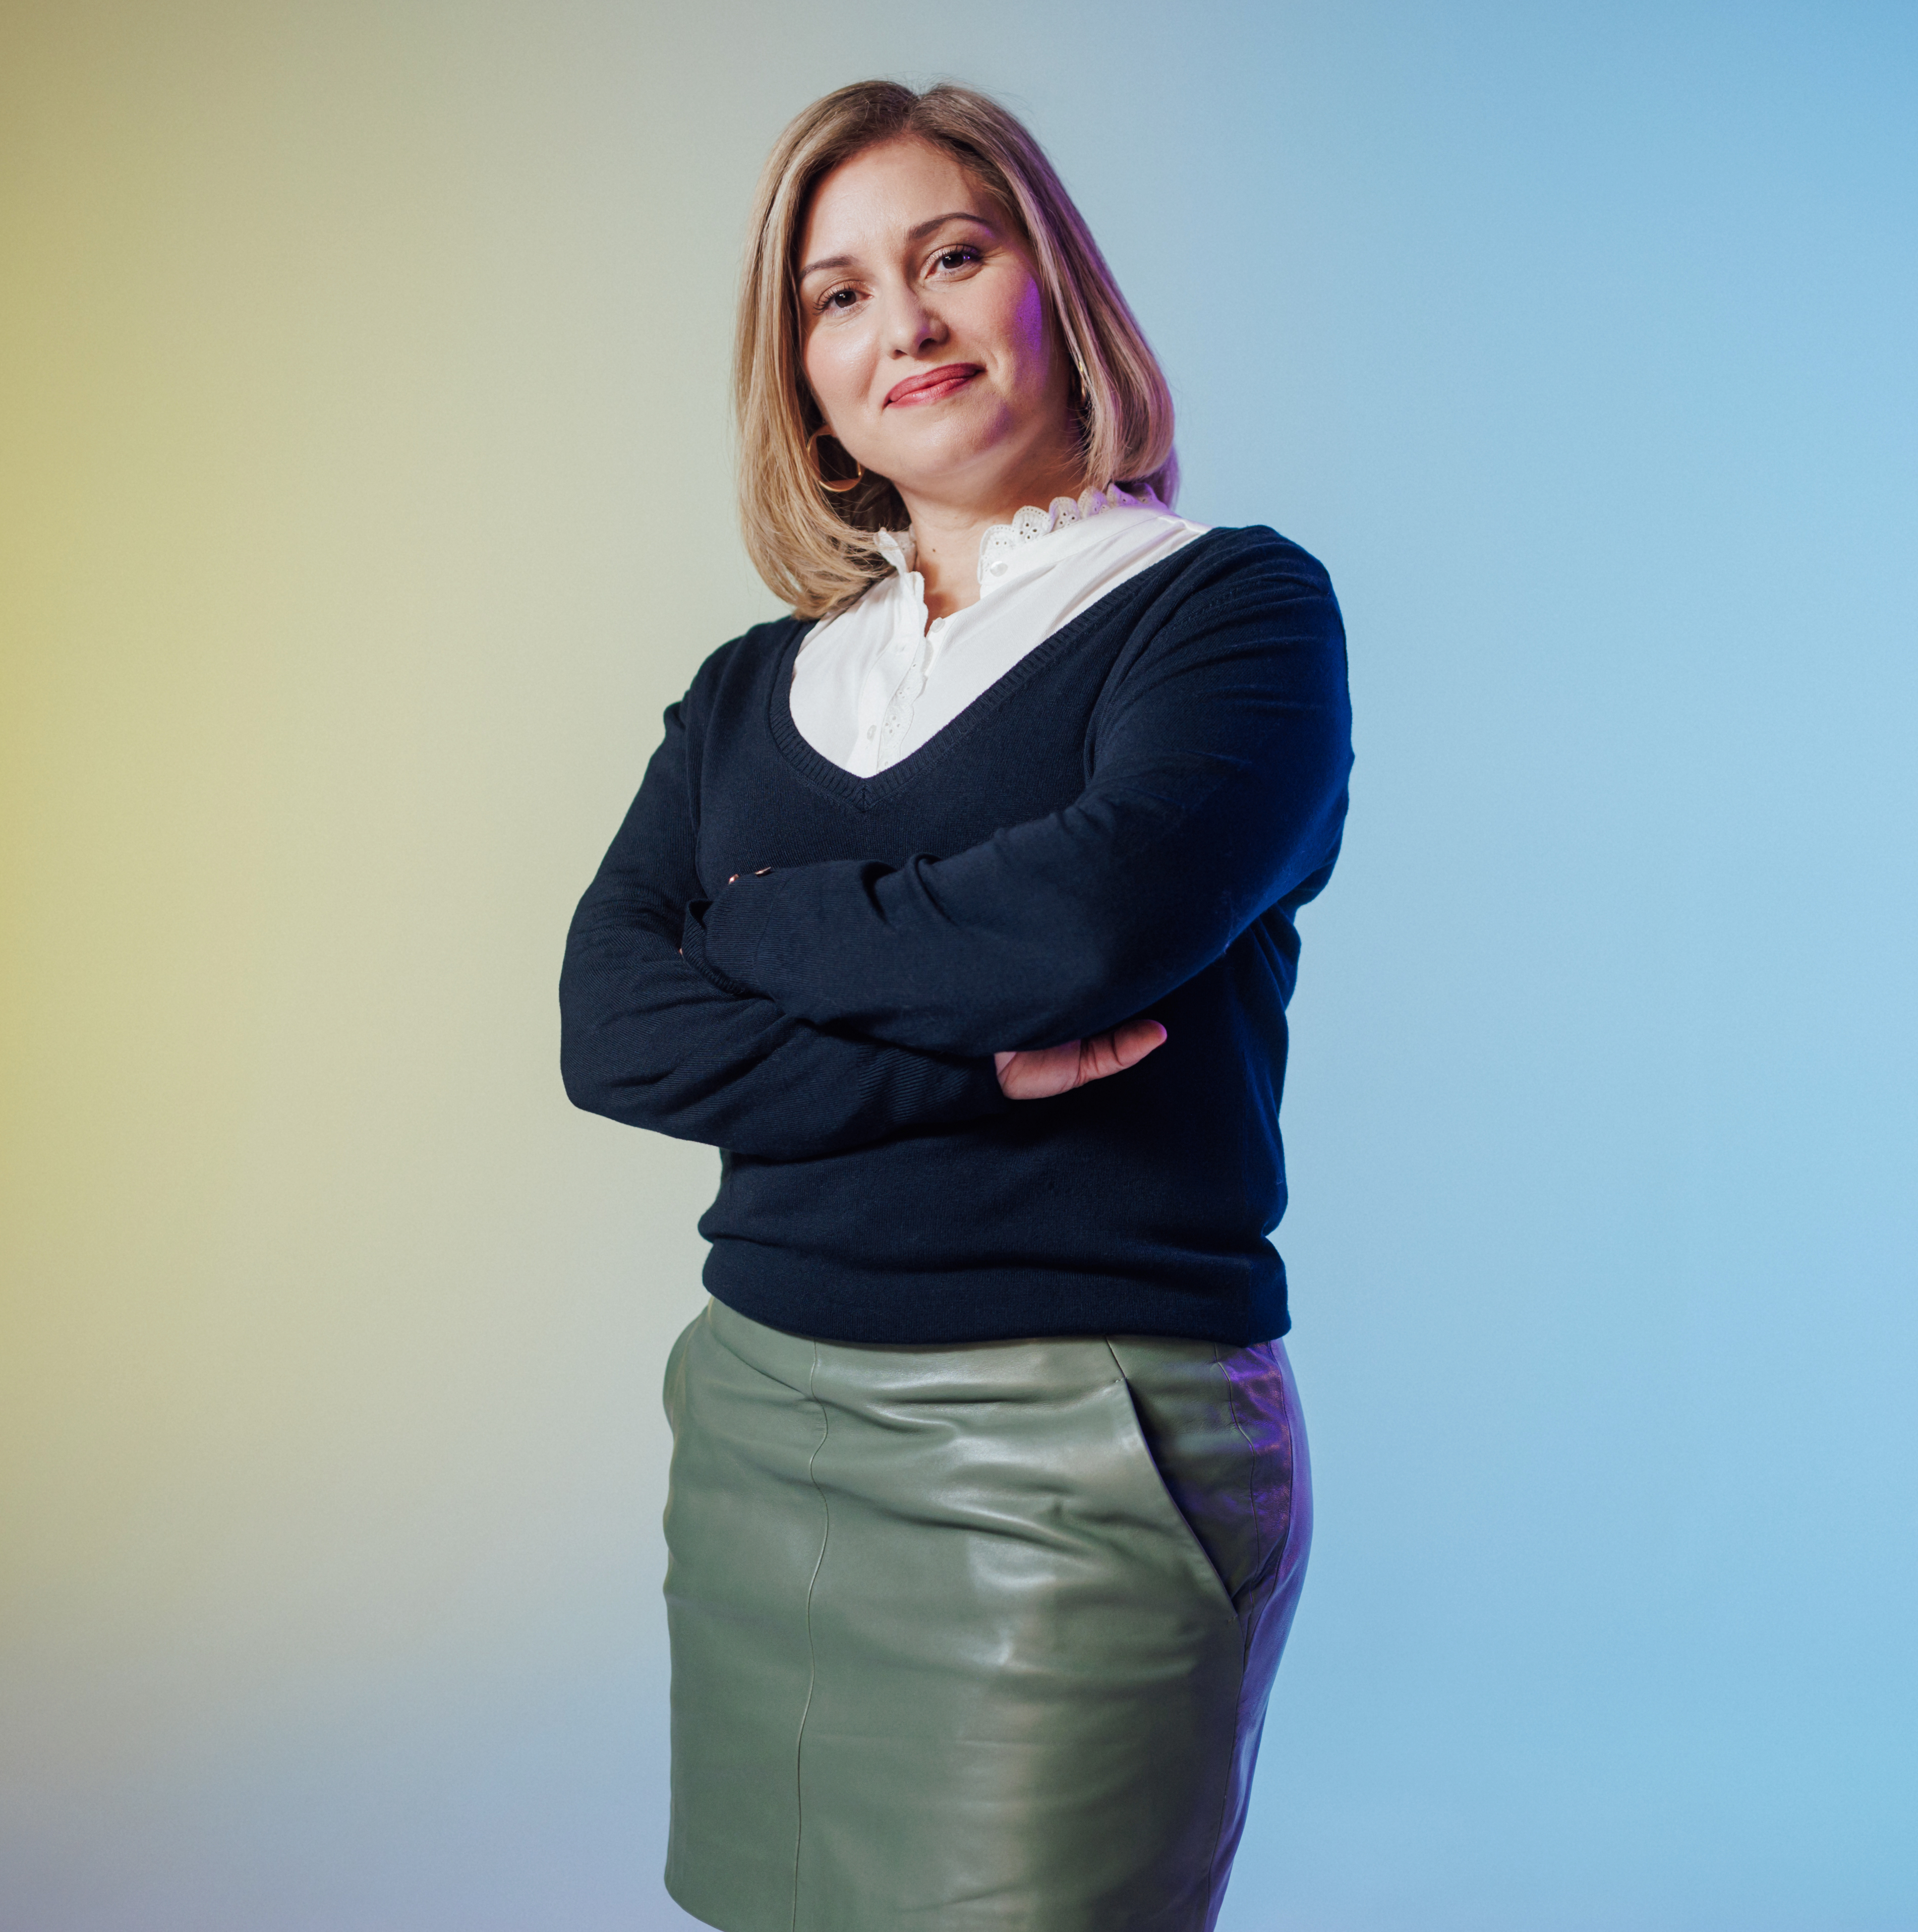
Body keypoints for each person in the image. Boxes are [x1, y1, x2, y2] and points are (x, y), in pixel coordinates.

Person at [560, 78, 1349, 1932]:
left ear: (1051, 291)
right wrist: (990, 1063)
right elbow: (611, 1027)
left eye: (950, 256)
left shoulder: (1225, 614)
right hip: (759, 1413)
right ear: (807, 381)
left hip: (1085, 1444)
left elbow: (1085, 933)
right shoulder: (752, 691)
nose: (898, 321)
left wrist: (754, 920)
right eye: (835, 296)